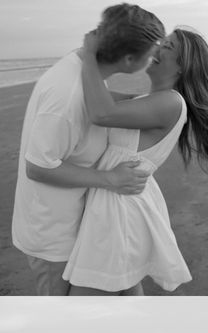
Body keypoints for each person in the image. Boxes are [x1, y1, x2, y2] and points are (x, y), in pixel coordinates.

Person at [62, 27, 208, 295]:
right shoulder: (151, 100)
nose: (158, 47)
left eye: (169, 47)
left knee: (86, 302)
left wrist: (89, 54)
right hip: (119, 201)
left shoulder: (170, 102)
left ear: (182, 67)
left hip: (118, 209)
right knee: (125, 291)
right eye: (161, 42)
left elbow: (100, 113)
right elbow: (90, 99)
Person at [12, 4, 164, 296]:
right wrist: (112, 179)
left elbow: (97, 100)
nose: (155, 57)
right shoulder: (66, 99)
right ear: (130, 59)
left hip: (76, 222)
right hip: (52, 235)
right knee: (64, 325)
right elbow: (38, 167)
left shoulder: (82, 65)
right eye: (152, 51)